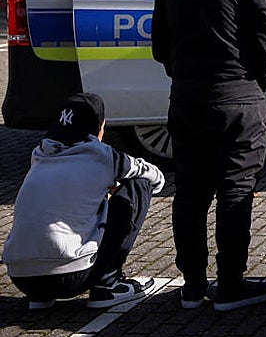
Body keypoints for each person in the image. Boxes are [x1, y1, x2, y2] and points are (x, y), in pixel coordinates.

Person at [152, 0, 266, 311]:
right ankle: (230, 285)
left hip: (187, 100)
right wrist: (263, 81)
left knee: (189, 192)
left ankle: (192, 286)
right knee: (235, 191)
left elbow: (159, 46)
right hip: (238, 101)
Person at [3, 93, 165, 311]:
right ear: (100, 126)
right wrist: (111, 190)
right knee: (138, 183)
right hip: (71, 276)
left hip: (21, 278)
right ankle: (108, 285)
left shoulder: (40, 154)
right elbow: (155, 177)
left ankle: (40, 297)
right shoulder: (102, 155)